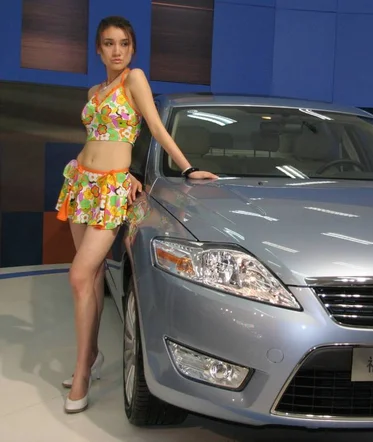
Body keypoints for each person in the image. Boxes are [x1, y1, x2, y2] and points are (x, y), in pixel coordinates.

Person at [55, 15, 217, 414]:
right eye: (109, 44)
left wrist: (187, 168)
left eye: (123, 44)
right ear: (98, 49)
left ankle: (80, 371)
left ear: (132, 49)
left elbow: (157, 129)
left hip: (110, 188)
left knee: (78, 274)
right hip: (82, 182)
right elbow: (95, 138)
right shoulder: (96, 90)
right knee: (88, 278)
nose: (116, 51)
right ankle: (90, 357)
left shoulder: (134, 79)